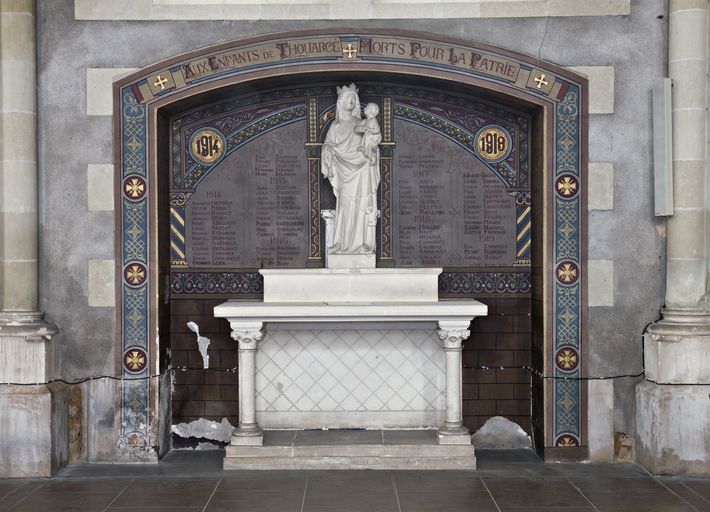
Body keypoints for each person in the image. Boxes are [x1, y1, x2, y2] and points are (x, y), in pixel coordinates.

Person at [321, 85, 381, 254]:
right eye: (348, 98)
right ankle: (341, 244)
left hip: (361, 170)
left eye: (354, 98)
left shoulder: (361, 122)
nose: (352, 101)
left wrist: (371, 140)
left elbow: (373, 142)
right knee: (345, 206)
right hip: (343, 172)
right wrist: (327, 152)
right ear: (340, 102)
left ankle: (360, 245)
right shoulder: (335, 126)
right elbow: (328, 145)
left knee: (361, 206)